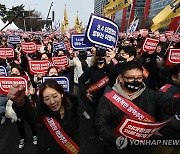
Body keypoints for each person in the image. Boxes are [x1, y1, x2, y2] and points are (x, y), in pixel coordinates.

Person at [95, 61, 180, 154]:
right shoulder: (108, 99)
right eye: (131, 78)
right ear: (120, 78)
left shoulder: (152, 95)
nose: (135, 81)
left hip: (145, 148)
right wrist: (119, 139)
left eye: (139, 78)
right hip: (119, 148)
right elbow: (101, 125)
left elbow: (171, 105)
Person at [8, 79, 82, 154]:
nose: (52, 102)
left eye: (55, 96)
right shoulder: (41, 114)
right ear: (43, 100)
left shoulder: (75, 110)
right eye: (47, 99)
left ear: (61, 94)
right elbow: (29, 114)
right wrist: (20, 102)